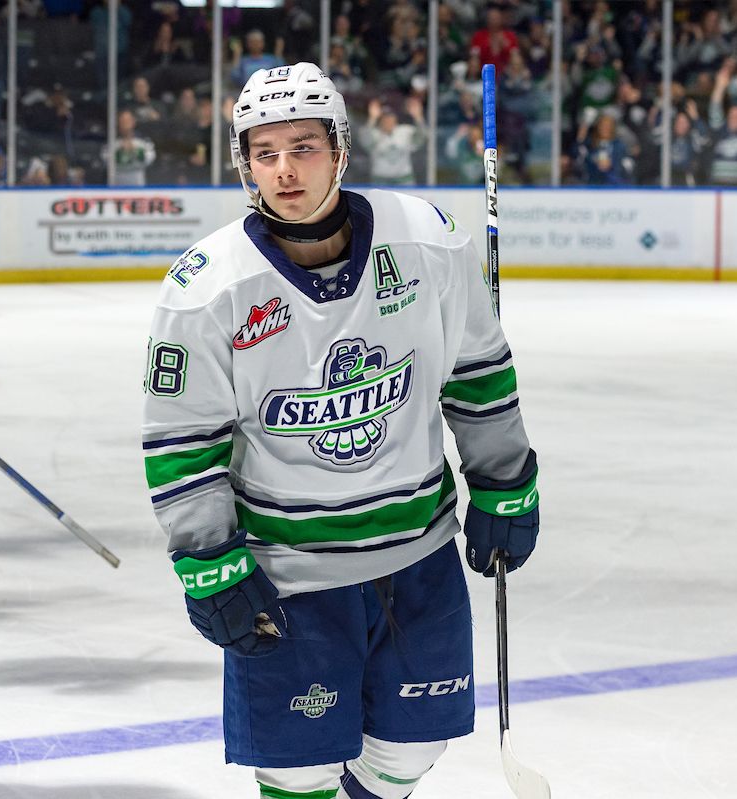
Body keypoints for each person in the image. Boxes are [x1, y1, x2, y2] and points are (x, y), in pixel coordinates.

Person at [141, 63, 540, 799]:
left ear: (341, 149)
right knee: (296, 770)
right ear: (244, 163)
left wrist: (505, 481)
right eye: (264, 152)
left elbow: (477, 370)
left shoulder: (426, 242)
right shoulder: (207, 287)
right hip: (290, 571)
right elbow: (182, 441)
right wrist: (209, 560)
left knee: (415, 748)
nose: (285, 170)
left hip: (417, 554)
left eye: (304, 147)